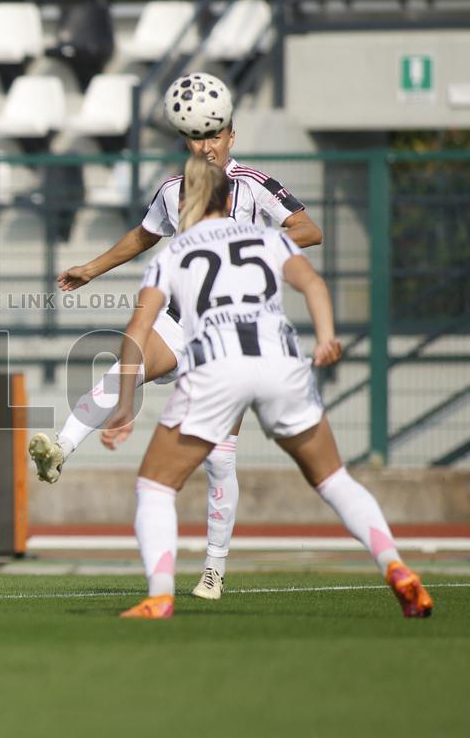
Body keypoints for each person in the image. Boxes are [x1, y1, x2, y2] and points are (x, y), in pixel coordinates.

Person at [101, 156, 433, 620]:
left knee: (155, 486)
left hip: (217, 368)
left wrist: (124, 403)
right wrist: (326, 337)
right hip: (281, 364)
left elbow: (138, 328)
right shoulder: (268, 239)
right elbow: (313, 284)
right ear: (229, 201)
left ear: (186, 205)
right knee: (334, 479)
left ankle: (160, 595)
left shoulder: (173, 255)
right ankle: (394, 563)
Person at [29, 118, 323, 600]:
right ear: (187, 140)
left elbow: (309, 229)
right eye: (198, 136)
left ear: (231, 138)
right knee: (123, 371)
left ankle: (214, 569)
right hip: (179, 321)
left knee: (219, 461)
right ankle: (60, 449)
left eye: (215, 135)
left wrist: (258, 246)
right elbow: (145, 235)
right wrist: (91, 269)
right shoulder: (172, 191)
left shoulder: (254, 185)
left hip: (229, 337)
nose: (207, 146)